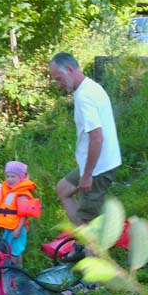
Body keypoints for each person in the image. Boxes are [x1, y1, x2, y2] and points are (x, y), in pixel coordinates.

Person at [49, 52, 121, 226]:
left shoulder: (84, 97)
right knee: (63, 189)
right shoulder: (90, 87)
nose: (58, 85)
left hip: (98, 168)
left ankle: (91, 245)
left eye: (59, 79)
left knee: (87, 224)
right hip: (96, 163)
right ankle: (85, 239)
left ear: (69, 69)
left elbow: (97, 137)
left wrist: (87, 175)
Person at [0, 160, 38, 266]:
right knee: (10, 250)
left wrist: (18, 229)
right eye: (7, 176)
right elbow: (4, 206)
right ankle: (15, 273)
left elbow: (24, 214)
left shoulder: (22, 194)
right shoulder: (8, 191)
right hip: (8, 228)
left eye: (13, 176)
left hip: (16, 228)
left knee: (15, 252)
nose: (9, 179)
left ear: (21, 177)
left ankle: (15, 273)